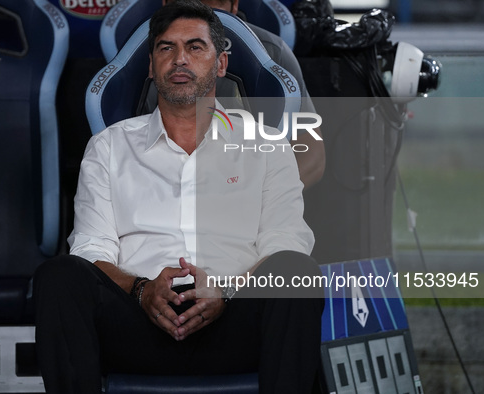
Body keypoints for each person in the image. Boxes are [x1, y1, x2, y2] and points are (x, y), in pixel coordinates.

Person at [34, 1, 323, 393]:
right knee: (60, 276)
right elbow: (91, 250)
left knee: (296, 272)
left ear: (221, 65)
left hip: (234, 323)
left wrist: (224, 290)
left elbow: (286, 243)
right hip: (138, 325)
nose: (180, 59)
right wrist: (142, 290)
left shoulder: (267, 144)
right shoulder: (109, 147)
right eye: (166, 48)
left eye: (195, 47)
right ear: (151, 67)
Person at [164, 0, 326, 189]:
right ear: (165, 4)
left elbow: (312, 157)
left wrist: (260, 197)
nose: (201, 13)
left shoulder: (273, 52)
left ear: (234, 6)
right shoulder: (139, 52)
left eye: (214, 4)